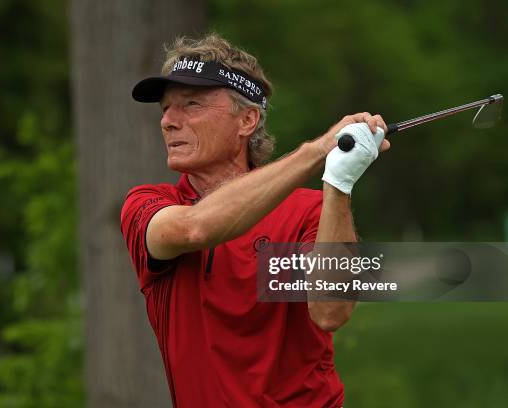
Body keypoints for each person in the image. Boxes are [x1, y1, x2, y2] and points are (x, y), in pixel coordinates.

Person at [121, 33, 389, 408]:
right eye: (165, 109)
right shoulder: (149, 204)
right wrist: (317, 150)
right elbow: (195, 228)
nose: (168, 121)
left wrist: (338, 182)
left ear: (246, 120)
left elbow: (331, 311)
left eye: (191, 105)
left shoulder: (309, 210)